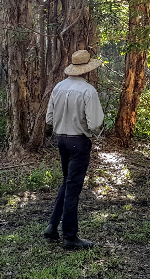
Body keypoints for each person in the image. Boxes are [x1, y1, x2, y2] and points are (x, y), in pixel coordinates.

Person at [43, 49, 104, 250]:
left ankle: (52, 226)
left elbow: (49, 119)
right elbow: (95, 123)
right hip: (79, 142)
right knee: (73, 189)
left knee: (66, 182)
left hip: (61, 140)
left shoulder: (58, 87)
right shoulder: (88, 91)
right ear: (87, 70)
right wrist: (85, 129)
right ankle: (70, 236)